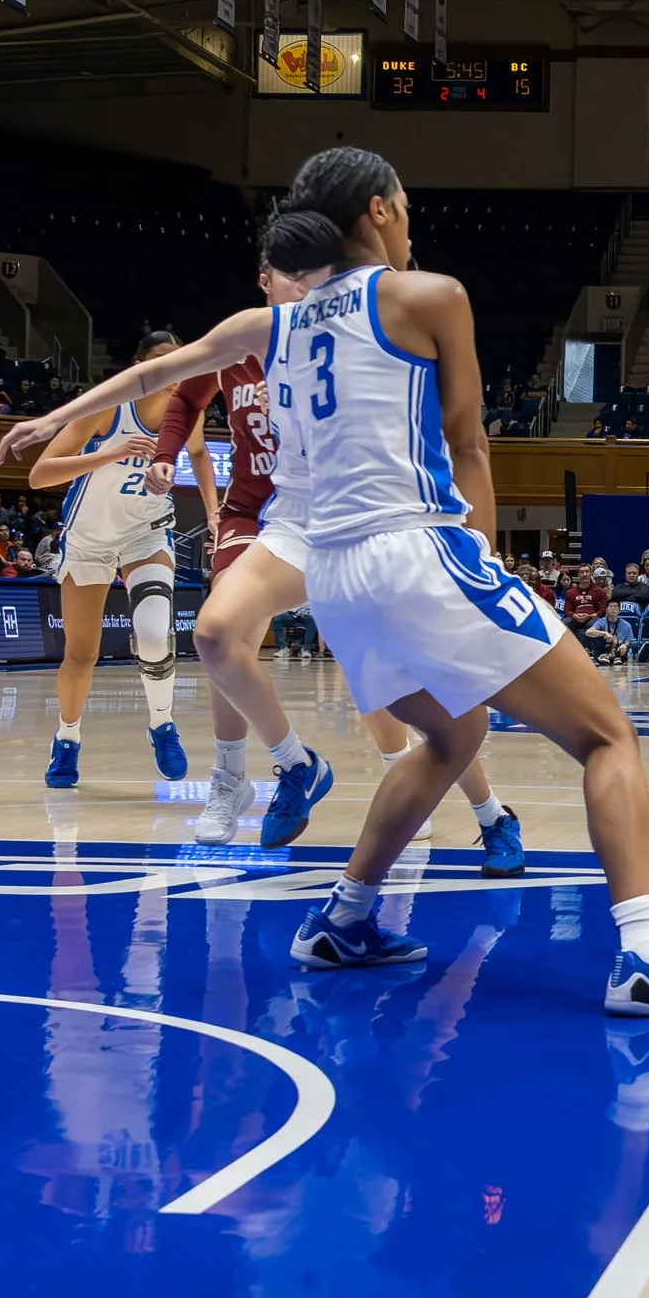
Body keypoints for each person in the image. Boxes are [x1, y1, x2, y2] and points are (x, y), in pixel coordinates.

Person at [0, 149, 649, 1014]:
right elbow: (468, 443)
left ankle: (344, 919)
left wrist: (53, 416)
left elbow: (159, 370)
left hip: (333, 578)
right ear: (378, 210)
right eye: (404, 206)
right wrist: (487, 558)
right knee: (607, 736)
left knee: (451, 737)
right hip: (413, 549)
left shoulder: (272, 323)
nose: (410, 221)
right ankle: (645, 952)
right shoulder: (430, 296)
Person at [142, 260, 523, 862]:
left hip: (342, 517)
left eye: (312, 272)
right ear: (264, 278)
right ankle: (242, 773)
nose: (302, 284)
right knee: (220, 630)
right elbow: (180, 393)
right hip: (258, 514)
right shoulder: (241, 339)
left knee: (390, 677)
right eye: (287, 272)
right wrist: (164, 454)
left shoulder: (339, 341)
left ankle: (481, 808)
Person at [23, 329, 199, 790]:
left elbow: (200, 453)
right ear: (140, 366)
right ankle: (67, 738)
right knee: (82, 653)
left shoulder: (188, 412)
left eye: (179, 360)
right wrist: (110, 454)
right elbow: (39, 475)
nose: (172, 368)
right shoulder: (106, 407)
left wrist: (216, 511)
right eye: (162, 359)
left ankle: (162, 724)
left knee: (155, 633)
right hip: (89, 538)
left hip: (146, 532)